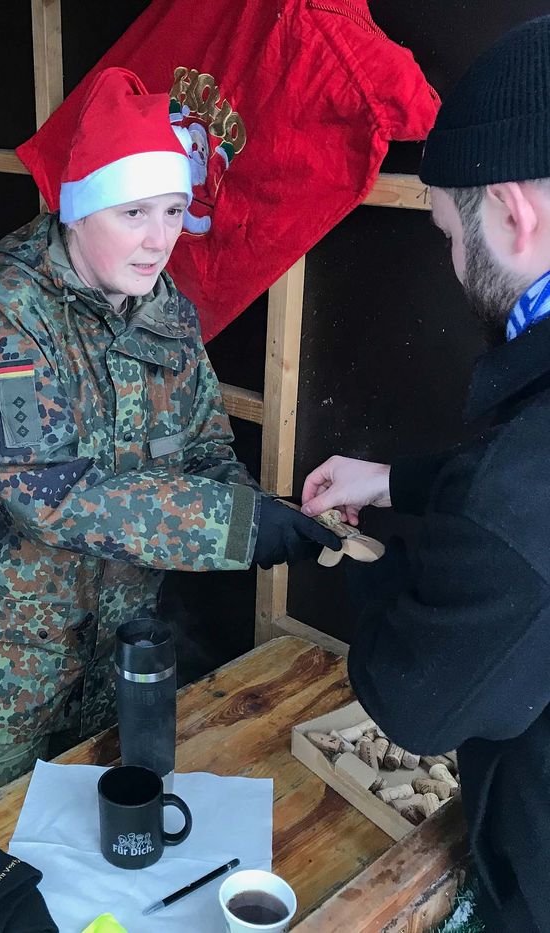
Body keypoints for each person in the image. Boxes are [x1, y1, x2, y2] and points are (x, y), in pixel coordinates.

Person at [0, 66, 339, 810]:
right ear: (77, 211)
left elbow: (202, 449)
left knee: (94, 856)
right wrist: (236, 528)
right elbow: (49, 497)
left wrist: (271, 512)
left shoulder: (167, 314)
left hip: (116, 656)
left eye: (171, 211)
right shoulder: (8, 318)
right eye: (133, 213)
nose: (159, 240)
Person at [302, 16, 550, 932]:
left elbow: (417, 699)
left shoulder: (516, 501)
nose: (451, 262)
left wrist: (372, 565)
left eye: (448, 231)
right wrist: (396, 480)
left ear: (513, 214)